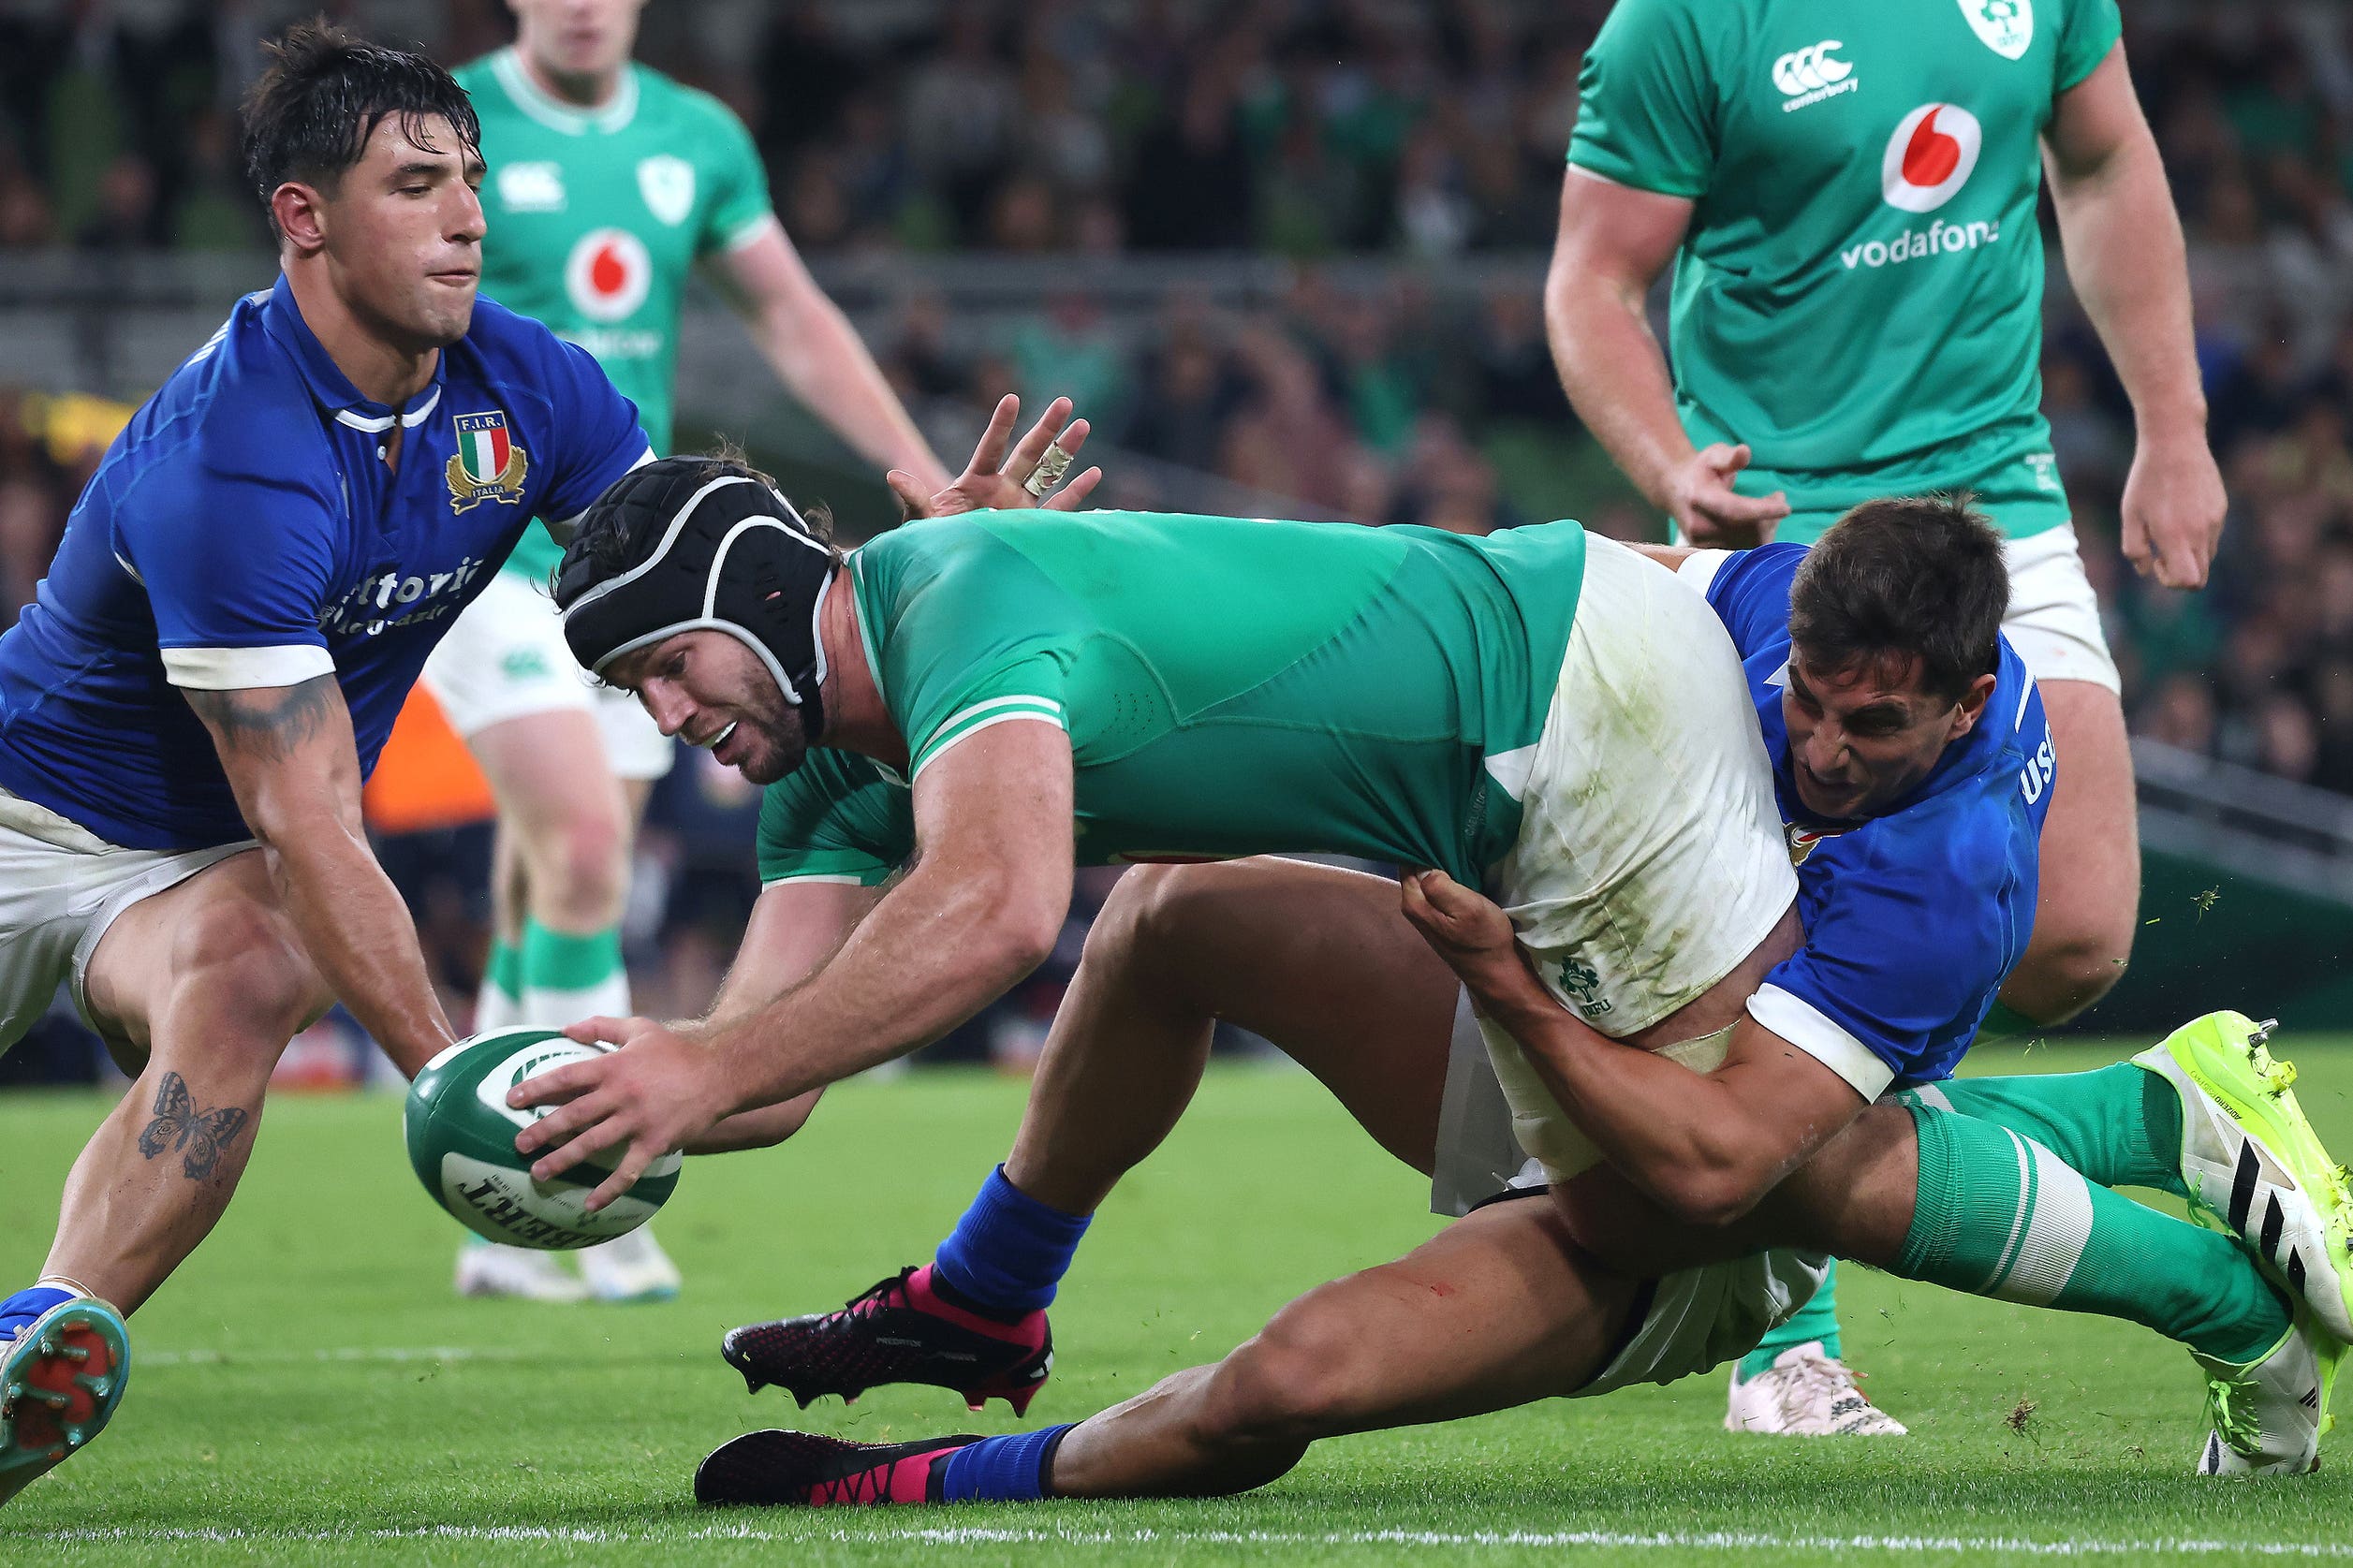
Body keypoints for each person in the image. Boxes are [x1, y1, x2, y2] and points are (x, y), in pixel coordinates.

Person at [513, 469, 2340, 1486]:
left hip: (1574, 715)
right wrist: (604, 1089)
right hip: (1539, 733)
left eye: (665, 668)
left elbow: (995, 911)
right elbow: (767, 1062)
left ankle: (2209, 1277)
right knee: (1174, 921)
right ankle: (982, 1307)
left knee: (1717, 1175)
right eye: (631, 701)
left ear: (756, 587)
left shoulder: (946, 598)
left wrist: (688, 1068)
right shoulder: (841, 743)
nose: (667, 724)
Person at [1543, 0, 2228, 1429]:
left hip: (1994, 497)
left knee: (2073, 940)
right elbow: (1593, 281)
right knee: (1786, 932)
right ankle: (1789, 1347)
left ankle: (2133, 1117)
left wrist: (2171, 427)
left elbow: (2101, 167)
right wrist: (1672, 469)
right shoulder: (1683, 25)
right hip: (1778, 521)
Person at [0, 25, 654, 1505]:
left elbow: (686, 570)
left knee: (256, 961)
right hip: (26, 811)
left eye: (471, 179)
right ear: (304, 217)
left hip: (192, 871)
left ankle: (35, 1340)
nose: (470, 216)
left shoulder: (529, 387)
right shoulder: (237, 456)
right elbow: (307, 818)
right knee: (300, 887)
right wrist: (462, 1087)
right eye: (416, 183)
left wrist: (894, 574)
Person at [425, 0, 953, 1306]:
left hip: (629, 572)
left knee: (548, 874)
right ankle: (586, 1182)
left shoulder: (698, 137)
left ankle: (497, 1201)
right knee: (590, 851)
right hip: (479, 542)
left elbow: (791, 317)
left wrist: (920, 475)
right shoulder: (448, 125)